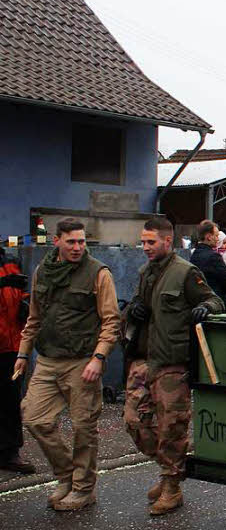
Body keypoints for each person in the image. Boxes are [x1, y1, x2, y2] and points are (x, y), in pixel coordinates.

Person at [16, 218, 120, 510]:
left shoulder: (97, 273)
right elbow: (34, 317)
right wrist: (24, 354)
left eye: (82, 241)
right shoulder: (43, 272)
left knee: (84, 428)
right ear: (57, 241)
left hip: (82, 361)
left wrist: (99, 357)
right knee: (35, 418)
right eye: (71, 241)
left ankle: (84, 488)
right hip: (48, 360)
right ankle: (66, 476)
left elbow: (111, 321)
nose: (77, 247)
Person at [122, 217, 223, 515]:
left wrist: (204, 308)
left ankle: (171, 486)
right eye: (143, 242)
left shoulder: (185, 272)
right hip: (144, 360)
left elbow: (214, 301)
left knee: (172, 427)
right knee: (134, 422)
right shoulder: (145, 273)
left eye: (151, 242)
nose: (145, 247)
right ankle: (170, 469)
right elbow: (133, 310)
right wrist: (132, 310)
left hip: (172, 363)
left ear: (168, 241)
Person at [0, 248, 33, 473]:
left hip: (11, 342)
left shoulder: (9, 260)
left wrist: (25, 303)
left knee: (10, 399)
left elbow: (20, 292)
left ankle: (10, 452)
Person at [189, 220, 226, 312]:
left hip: (200, 305)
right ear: (208, 237)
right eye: (216, 236)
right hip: (215, 307)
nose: (217, 239)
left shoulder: (194, 255)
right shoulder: (213, 257)